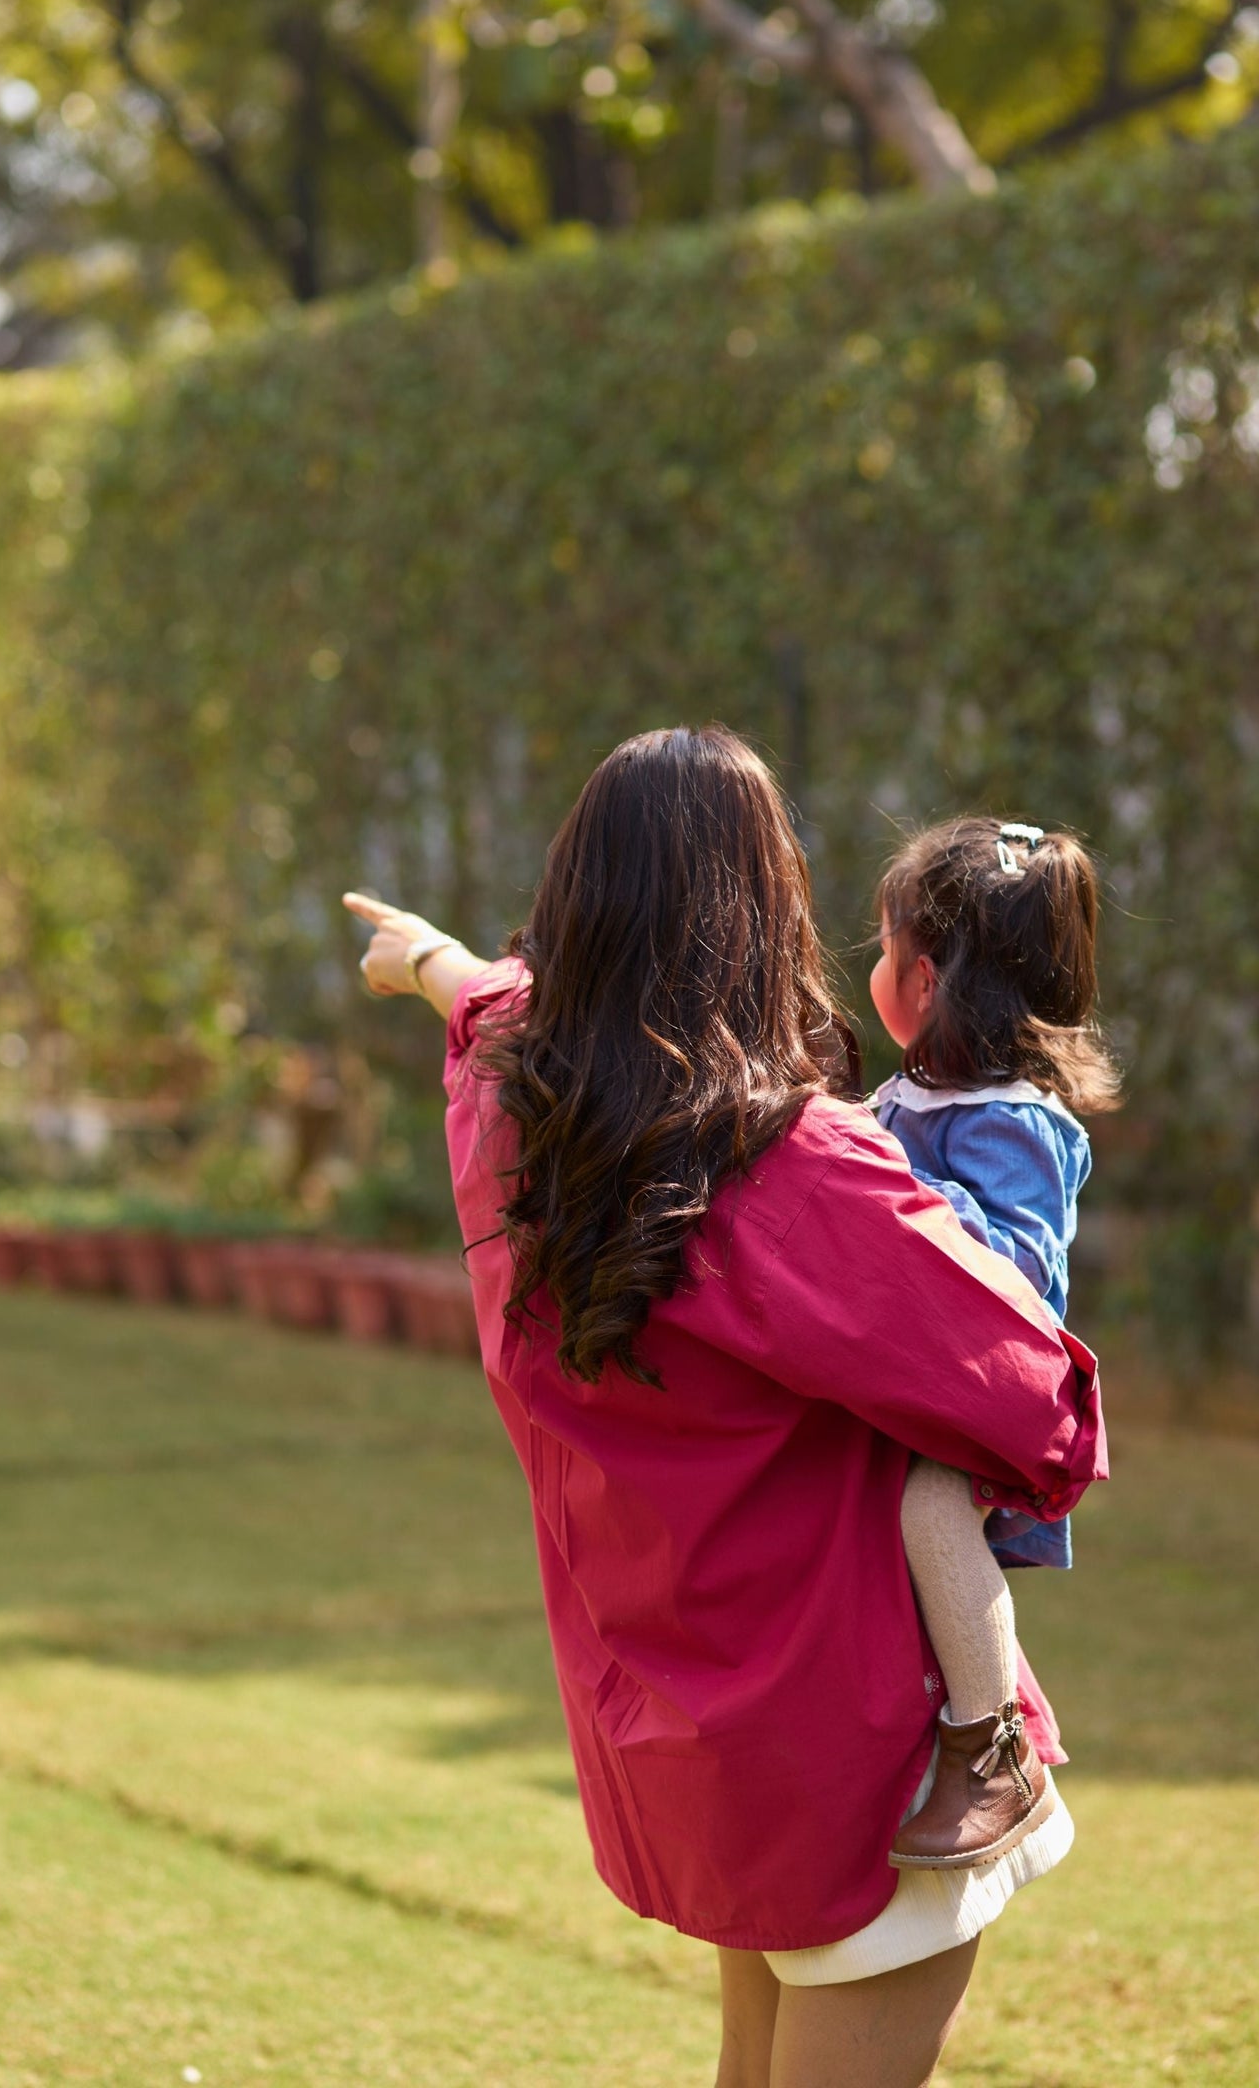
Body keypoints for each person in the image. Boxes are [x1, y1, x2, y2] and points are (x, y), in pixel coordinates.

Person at [344, 727, 1106, 2088]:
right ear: (767, 915)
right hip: (861, 1744)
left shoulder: (513, 1111)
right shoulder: (787, 1168)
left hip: (688, 1731)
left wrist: (425, 961)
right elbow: (1029, 1399)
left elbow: (490, 1002)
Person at [865, 818, 1119, 1875]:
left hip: (983, 1395)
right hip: (909, 1378)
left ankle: (993, 1749)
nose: (869, 970)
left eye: (878, 950)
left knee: (927, 1504)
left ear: (920, 981)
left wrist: (888, 1190)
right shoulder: (907, 1094)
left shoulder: (1014, 1120)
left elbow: (1014, 1260)